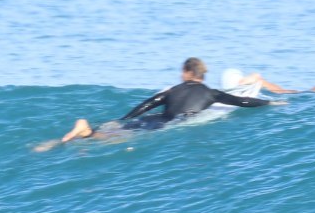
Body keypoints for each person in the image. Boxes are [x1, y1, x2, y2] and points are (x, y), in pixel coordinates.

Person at [36, 57, 278, 150]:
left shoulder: (172, 90)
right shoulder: (211, 93)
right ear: (202, 76)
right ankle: (86, 132)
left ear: (187, 72)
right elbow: (241, 101)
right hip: (166, 124)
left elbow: (147, 104)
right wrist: (270, 103)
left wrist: (125, 119)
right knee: (119, 140)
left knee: (118, 130)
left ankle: (66, 138)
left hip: (151, 119)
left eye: (182, 71)